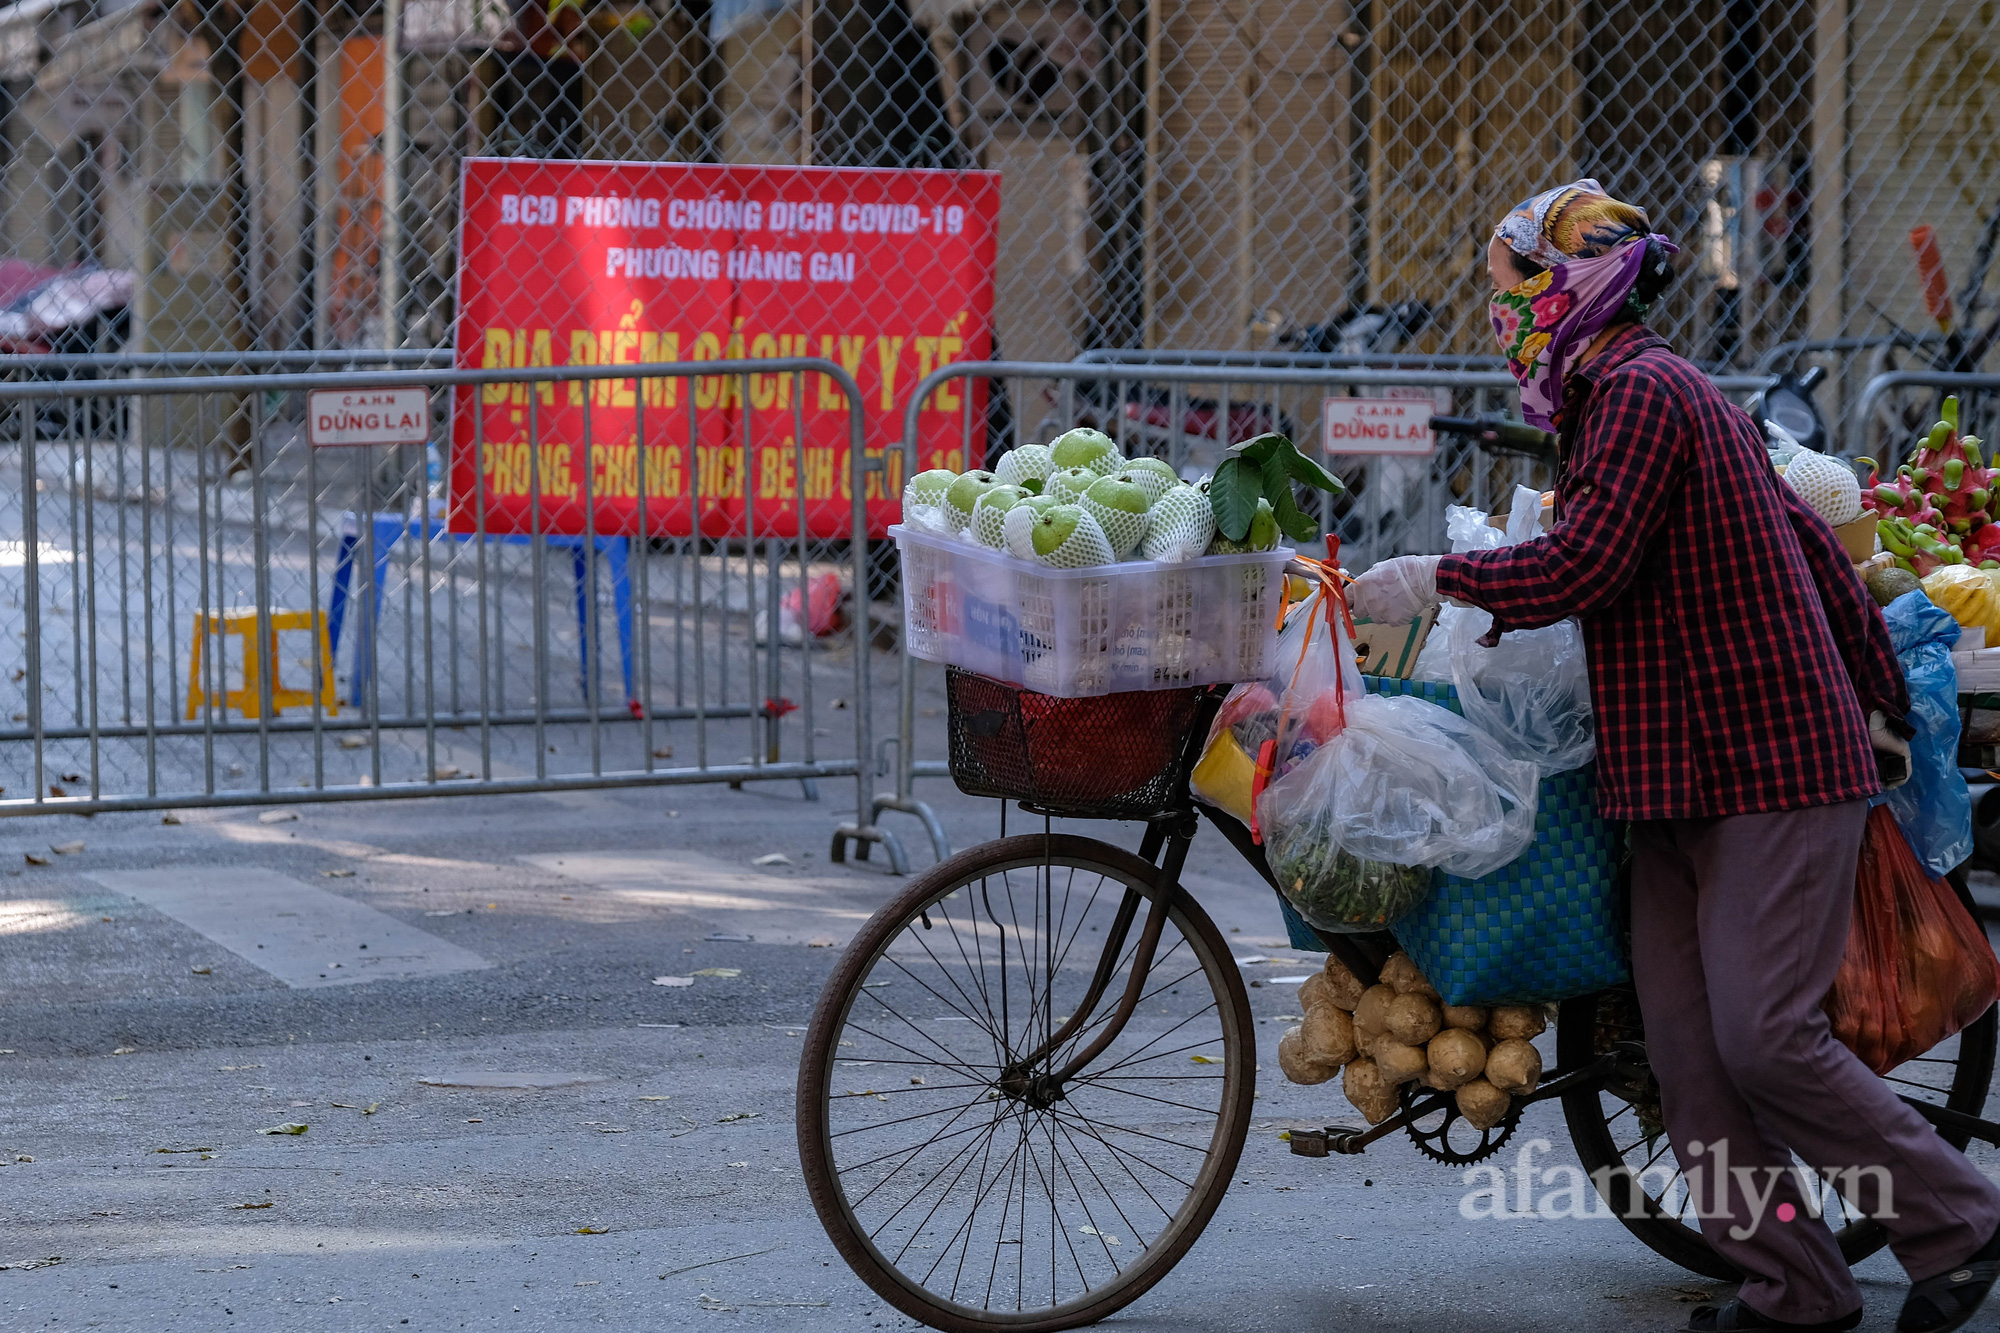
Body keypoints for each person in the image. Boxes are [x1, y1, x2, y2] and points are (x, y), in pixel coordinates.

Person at [1346, 180, 2000, 1333]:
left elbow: (1583, 567)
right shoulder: (1614, 398)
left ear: (1563, 287)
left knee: (1765, 1038)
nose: (1495, 317)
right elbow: (1780, 534)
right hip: (1672, 776)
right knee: (1689, 1061)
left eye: (1504, 292)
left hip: (1771, 765)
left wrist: (1433, 576)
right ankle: (1793, 1282)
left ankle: (1958, 1219)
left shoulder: (1643, 391)